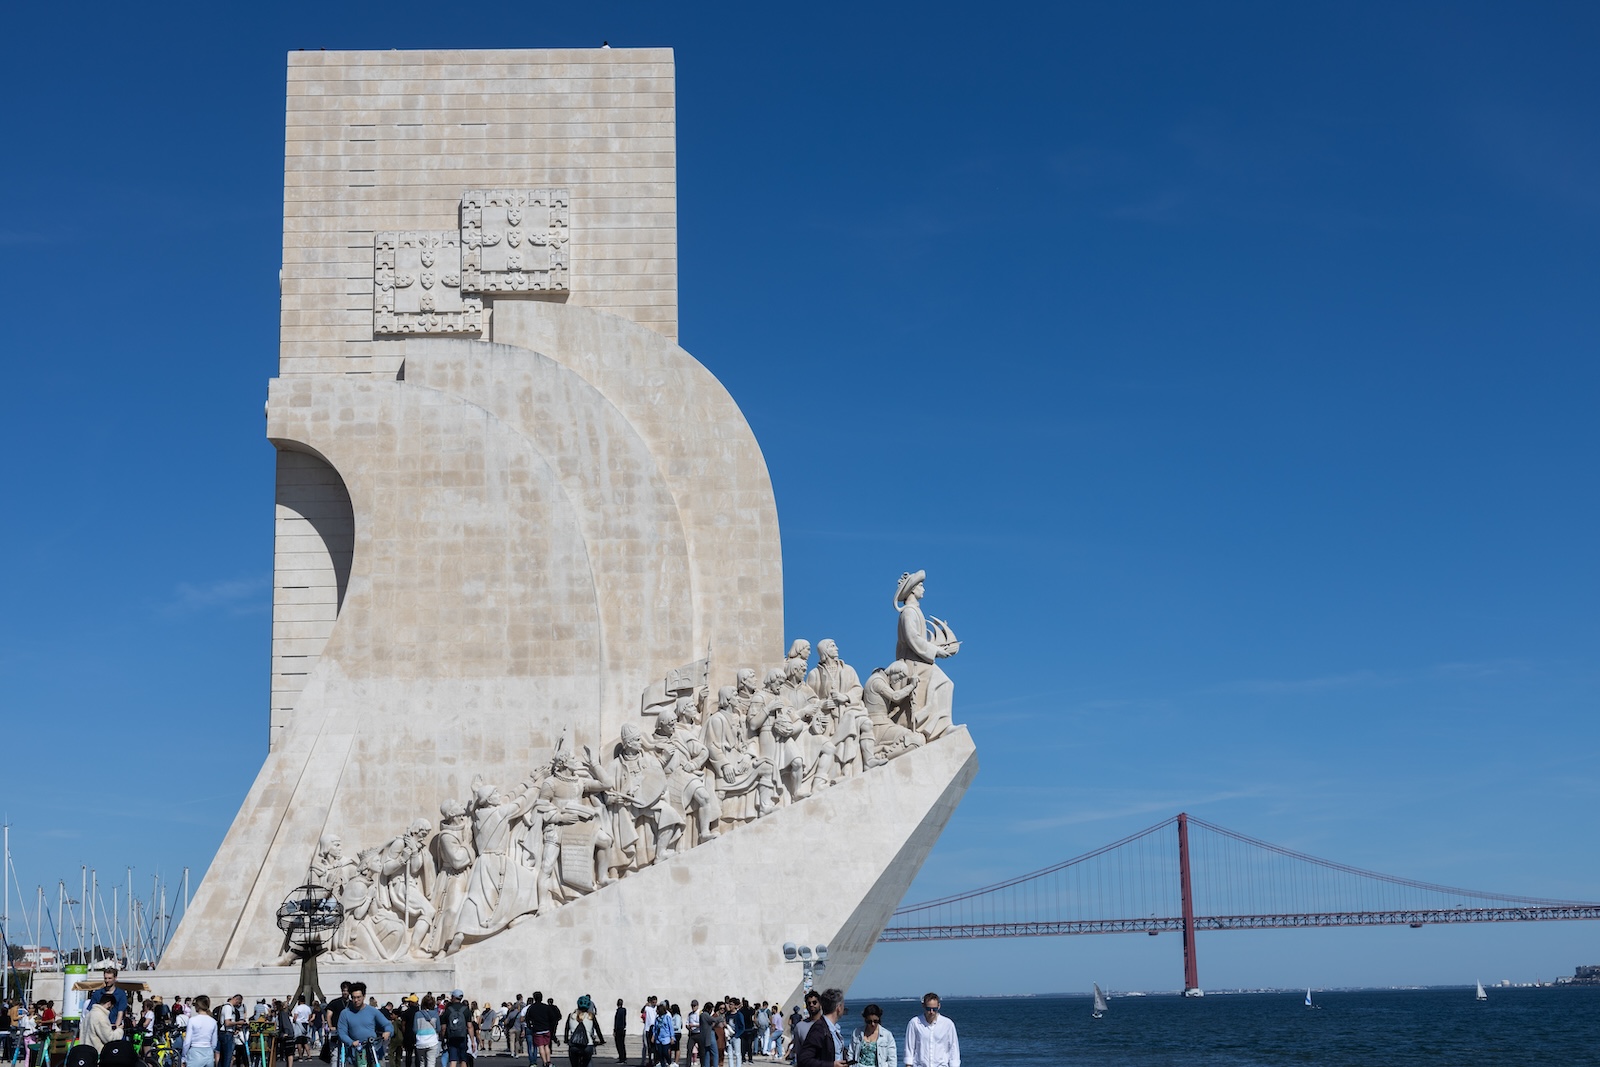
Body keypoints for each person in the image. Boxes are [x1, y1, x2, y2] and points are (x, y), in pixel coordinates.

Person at [336, 984, 393, 1066]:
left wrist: (388, 1031)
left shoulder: (372, 1011)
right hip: (356, 1052)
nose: (356, 1000)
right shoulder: (345, 1013)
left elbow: (387, 1024)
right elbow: (342, 1033)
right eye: (354, 997)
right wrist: (351, 1042)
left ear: (364, 996)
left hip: (374, 1049)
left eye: (358, 997)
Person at [901, 994, 957, 1067]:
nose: (931, 1012)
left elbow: (953, 1048)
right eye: (928, 1009)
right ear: (923, 1006)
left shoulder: (948, 1024)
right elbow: (909, 1048)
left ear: (939, 1006)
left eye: (934, 1009)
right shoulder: (914, 1023)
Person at [794, 990, 843, 1067]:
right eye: (809, 1003)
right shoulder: (818, 1028)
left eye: (814, 1002)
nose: (811, 1005)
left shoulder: (833, 1027)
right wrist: (831, 1065)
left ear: (820, 1004)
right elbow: (802, 1057)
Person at [562, 996, 602, 1067]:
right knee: (588, 1062)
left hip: (574, 1045)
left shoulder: (571, 1016)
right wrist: (601, 1040)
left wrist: (566, 1040)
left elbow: (566, 1029)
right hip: (588, 1045)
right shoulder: (591, 1016)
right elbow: (597, 1029)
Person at [439, 991, 473, 1067]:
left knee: (453, 1060)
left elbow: (443, 1028)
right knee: (463, 1060)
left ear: (453, 997)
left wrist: (442, 1038)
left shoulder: (448, 1010)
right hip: (462, 1036)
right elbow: (470, 1026)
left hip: (451, 1037)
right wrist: (473, 1041)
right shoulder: (466, 1010)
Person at [184, 997, 219, 1067]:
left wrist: (183, 1057)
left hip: (195, 1052)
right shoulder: (213, 1021)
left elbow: (187, 1042)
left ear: (198, 1006)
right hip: (208, 1052)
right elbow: (214, 1043)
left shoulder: (192, 1020)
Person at [412, 995, 440, 1067]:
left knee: (422, 1063)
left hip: (421, 1041)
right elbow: (438, 1028)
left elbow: (415, 1029)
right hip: (432, 1041)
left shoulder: (417, 1014)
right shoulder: (435, 1014)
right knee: (431, 1062)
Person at [218, 995, 246, 1067]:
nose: (238, 1005)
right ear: (236, 1000)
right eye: (239, 1003)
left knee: (223, 1057)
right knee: (227, 1057)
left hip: (225, 1033)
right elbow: (227, 1023)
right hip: (227, 1033)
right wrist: (238, 1023)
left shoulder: (225, 1006)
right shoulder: (228, 1007)